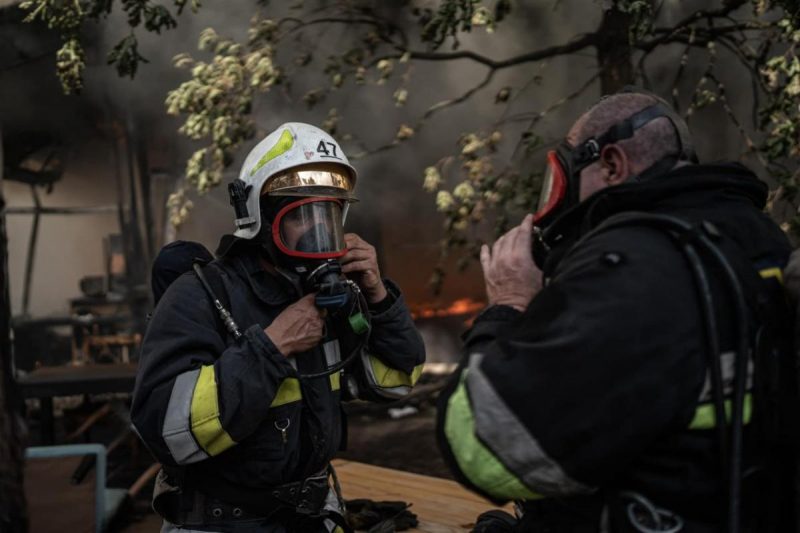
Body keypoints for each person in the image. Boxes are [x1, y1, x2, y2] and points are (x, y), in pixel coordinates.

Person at [436, 90, 796, 532]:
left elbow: (485, 451)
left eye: (563, 177)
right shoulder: (755, 240)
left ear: (610, 165)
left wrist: (508, 306)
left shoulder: (629, 267)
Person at [131, 122, 426, 532]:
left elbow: (397, 380)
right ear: (261, 217)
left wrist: (378, 298)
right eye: (301, 215)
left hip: (313, 517)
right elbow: (166, 430)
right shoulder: (201, 296)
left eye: (328, 213)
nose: (319, 230)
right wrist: (271, 348)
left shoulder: (328, 298)